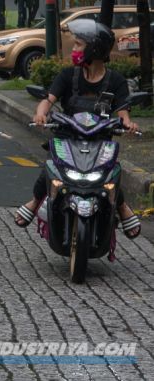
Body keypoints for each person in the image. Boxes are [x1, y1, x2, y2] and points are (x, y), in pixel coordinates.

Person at [14, 19, 141, 239]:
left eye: (78, 45)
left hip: (100, 141)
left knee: (111, 172)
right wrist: (41, 113)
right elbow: (48, 99)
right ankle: (35, 202)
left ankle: (121, 206)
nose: (74, 49)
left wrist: (128, 124)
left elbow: (123, 113)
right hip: (67, 137)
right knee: (51, 166)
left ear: (94, 49)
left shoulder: (116, 81)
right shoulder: (68, 75)